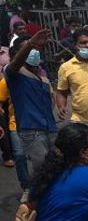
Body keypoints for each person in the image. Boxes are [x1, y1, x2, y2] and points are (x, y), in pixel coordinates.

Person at [6, 31, 58, 182]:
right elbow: (15, 64)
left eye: (35, 48)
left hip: (50, 127)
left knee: (55, 166)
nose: (33, 51)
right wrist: (30, 44)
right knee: (42, 169)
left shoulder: (42, 77)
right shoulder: (13, 73)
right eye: (29, 49)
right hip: (32, 129)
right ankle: (37, 199)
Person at [0, 77, 31, 199]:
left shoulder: (40, 77)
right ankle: (27, 188)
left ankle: (44, 187)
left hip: (37, 124)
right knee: (19, 156)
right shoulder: (6, 81)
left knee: (40, 158)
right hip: (16, 124)